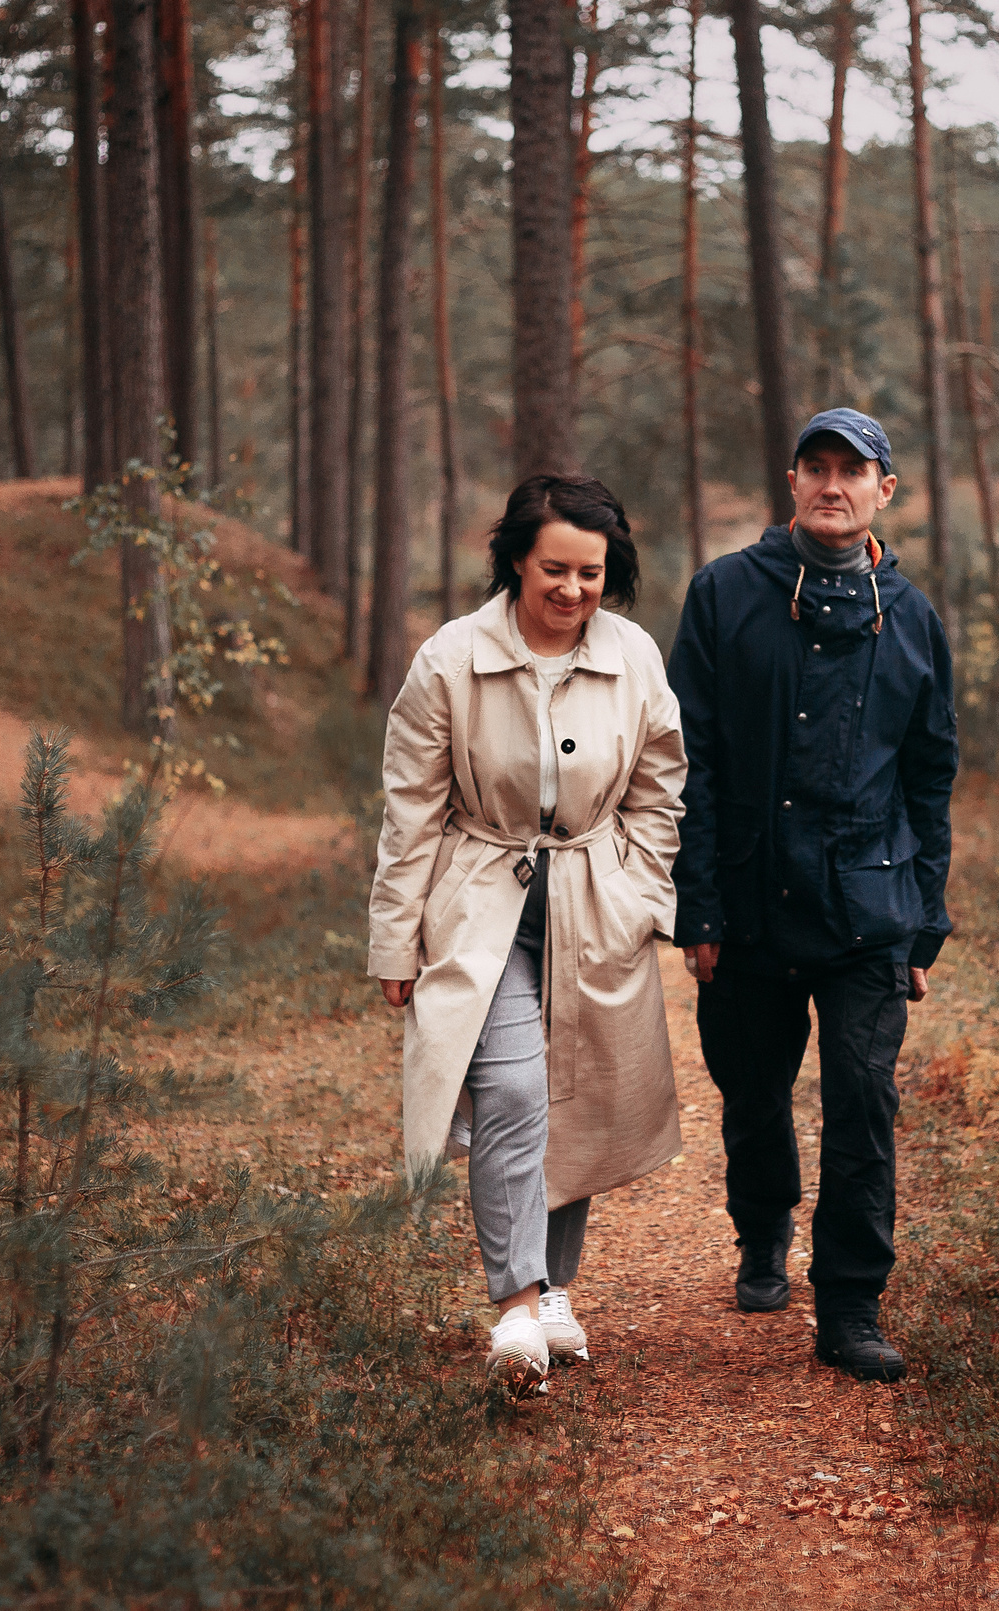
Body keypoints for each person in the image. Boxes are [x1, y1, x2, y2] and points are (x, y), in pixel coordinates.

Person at [369, 474, 687, 1393]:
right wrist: (396, 940)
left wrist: (638, 888)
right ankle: (516, 1304)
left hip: (596, 902)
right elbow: (411, 809)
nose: (573, 590)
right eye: (555, 568)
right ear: (516, 558)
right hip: (482, 902)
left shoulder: (632, 655)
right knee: (512, 1089)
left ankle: (556, 1289)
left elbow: (661, 785)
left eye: (591, 572)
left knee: (573, 1091)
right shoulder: (450, 658)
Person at [667, 407, 959, 1383]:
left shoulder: (912, 618)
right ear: (790, 484)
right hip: (748, 903)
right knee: (751, 1094)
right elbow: (690, 761)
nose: (833, 485)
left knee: (862, 1101)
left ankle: (849, 1305)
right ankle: (761, 1228)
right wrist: (697, 907)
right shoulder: (722, 597)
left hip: (867, 909)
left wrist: (923, 921)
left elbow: (930, 775)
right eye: (816, 468)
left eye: (854, 471)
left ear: (885, 490)